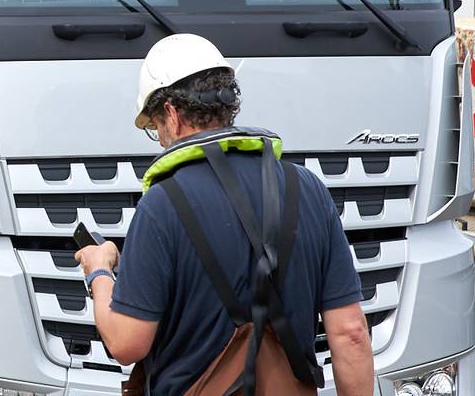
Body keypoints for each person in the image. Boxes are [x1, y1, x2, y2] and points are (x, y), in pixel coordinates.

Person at [75, 34, 374, 396]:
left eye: (155, 128)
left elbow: (127, 343)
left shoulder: (162, 205)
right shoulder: (307, 189)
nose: (161, 140)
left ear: (171, 113)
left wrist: (100, 271)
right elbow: (351, 333)